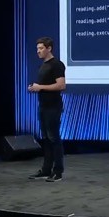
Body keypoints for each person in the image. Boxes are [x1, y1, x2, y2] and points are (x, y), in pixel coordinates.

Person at [27, 36, 66, 182]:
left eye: (41, 48)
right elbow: (44, 86)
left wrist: (40, 87)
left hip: (53, 107)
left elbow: (61, 85)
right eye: (37, 48)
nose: (38, 51)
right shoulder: (43, 65)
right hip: (43, 106)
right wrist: (35, 88)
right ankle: (46, 169)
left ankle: (58, 172)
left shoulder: (57, 65)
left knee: (54, 138)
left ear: (49, 48)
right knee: (46, 139)